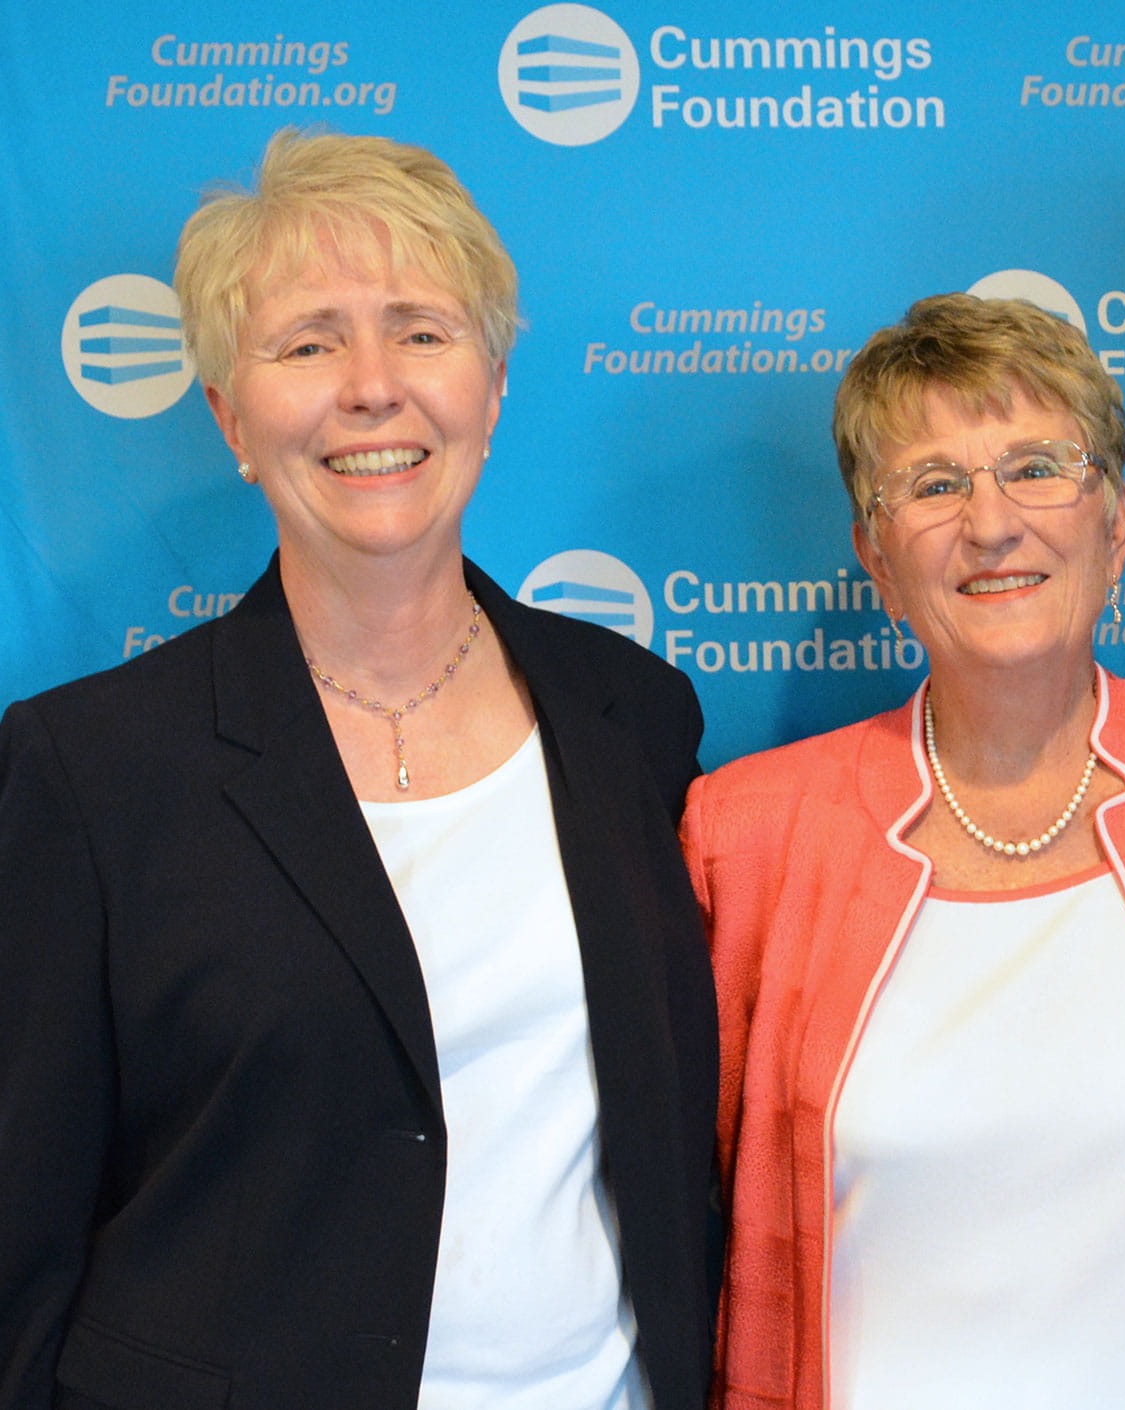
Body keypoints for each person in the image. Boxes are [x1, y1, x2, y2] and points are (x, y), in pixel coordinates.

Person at [0, 130, 717, 1410]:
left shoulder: (634, 718)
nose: (372, 386)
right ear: (228, 413)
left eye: (421, 332)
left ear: (493, 385)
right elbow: (20, 1232)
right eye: (308, 341)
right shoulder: (86, 772)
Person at [680, 292, 1125, 1410]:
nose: (990, 522)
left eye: (1036, 467)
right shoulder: (747, 839)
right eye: (933, 485)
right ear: (874, 559)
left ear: (1115, 522)